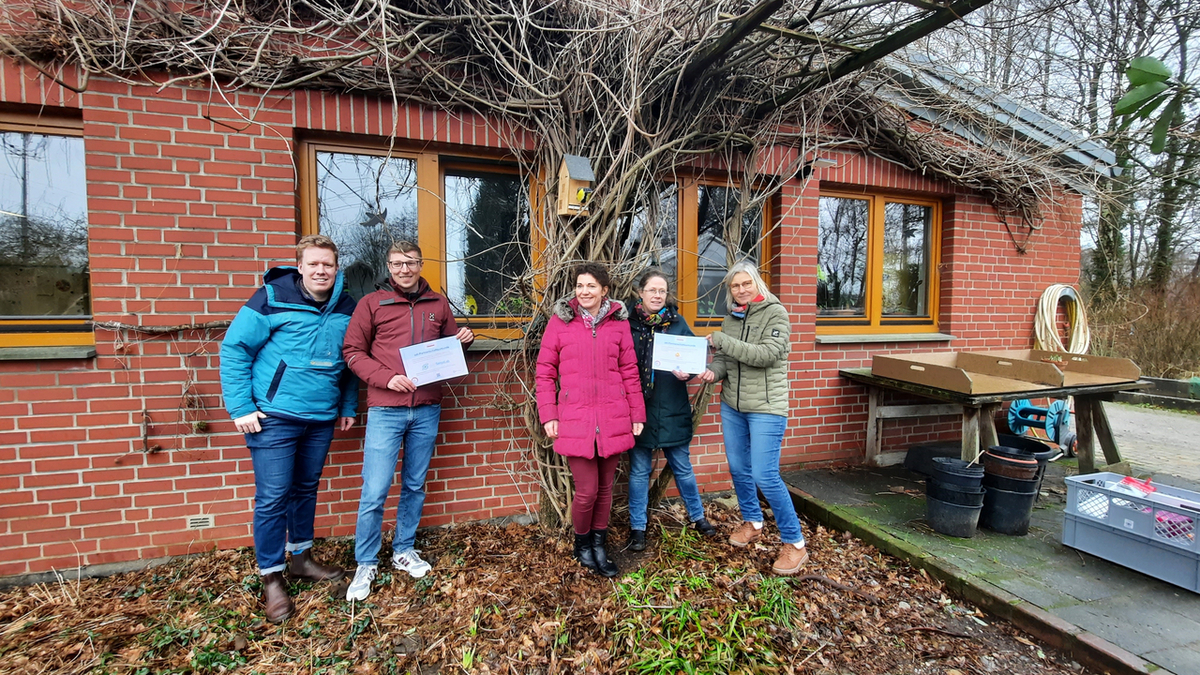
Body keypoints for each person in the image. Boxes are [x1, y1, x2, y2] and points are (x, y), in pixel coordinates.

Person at [219, 234, 359, 624]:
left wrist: (347, 405)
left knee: (305, 489)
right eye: (313, 264)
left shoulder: (347, 306)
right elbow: (234, 349)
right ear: (300, 267)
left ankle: (300, 559)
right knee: (272, 496)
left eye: (327, 265)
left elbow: (348, 363)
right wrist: (241, 407)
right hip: (273, 417)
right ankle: (271, 578)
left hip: (320, 418)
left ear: (336, 268)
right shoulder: (270, 298)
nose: (320, 271)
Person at [343, 241, 474, 601]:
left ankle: (403, 548)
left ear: (420, 264)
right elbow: (352, 352)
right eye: (397, 263)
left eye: (411, 262)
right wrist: (386, 379)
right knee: (375, 489)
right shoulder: (372, 304)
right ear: (388, 265)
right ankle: (366, 561)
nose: (404, 269)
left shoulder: (438, 304)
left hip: (427, 408)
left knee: (415, 484)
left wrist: (463, 338)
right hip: (386, 409)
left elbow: (446, 349)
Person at [536, 262, 646, 577]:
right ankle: (582, 544)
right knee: (587, 490)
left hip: (613, 416)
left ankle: (600, 544)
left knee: (606, 488)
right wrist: (549, 414)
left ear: (604, 290)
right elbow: (544, 371)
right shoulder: (560, 322)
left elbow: (629, 371)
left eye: (591, 286)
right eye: (580, 286)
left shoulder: (618, 324)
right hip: (575, 418)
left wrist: (637, 413)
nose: (584, 292)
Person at [699, 261, 809, 576]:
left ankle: (795, 543)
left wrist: (722, 339)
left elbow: (765, 355)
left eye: (746, 283)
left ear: (757, 283)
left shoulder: (777, 314)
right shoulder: (730, 319)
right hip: (733, 405)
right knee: (738, 467)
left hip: (766, 406)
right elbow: (724, 359)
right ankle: (753, 521)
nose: (741, 289)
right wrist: (712, 372)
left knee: (765, 474)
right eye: (735, 286)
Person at [625, 269, 717, 551]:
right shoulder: (626, 324)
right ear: (640, 292)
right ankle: (637, 528)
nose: (657, 295)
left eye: (662, 291)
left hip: (672, 406)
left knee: (683, 468)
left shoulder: (677, 323)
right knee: (639, 472)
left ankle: (698, 517)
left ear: (667, 295)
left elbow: (694, 357)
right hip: (638, 410)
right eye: (652, 290)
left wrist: (687, 374)